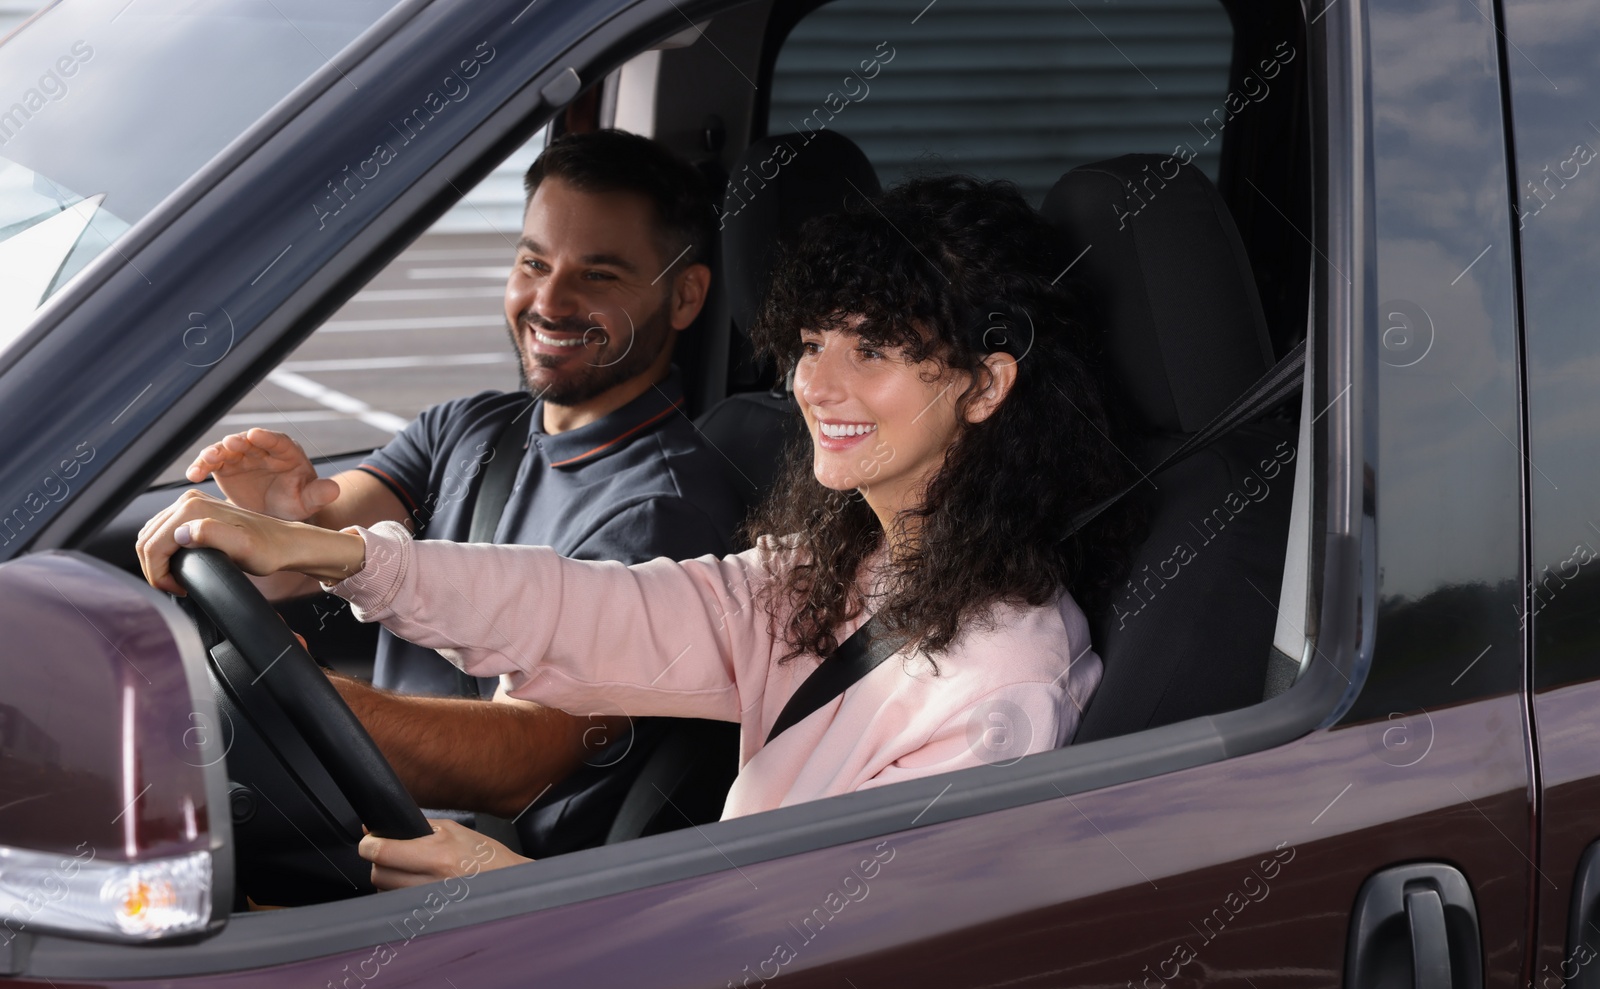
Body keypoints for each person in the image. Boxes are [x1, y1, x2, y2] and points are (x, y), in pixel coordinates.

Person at [139, 175, 1135, 889]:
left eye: (868, 350)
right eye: (810, 343)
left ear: (988, 384)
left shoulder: (999, 689)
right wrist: (334, 553)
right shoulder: (856, 567)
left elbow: (828, 978)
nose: (811, 385)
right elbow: (593, 606)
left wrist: (513, 900)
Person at [177, 130, 746, 857]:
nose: (550, 301)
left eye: (598, 276)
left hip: (469, 876)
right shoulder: (471, 426)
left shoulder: (660, 511)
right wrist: (275, 515)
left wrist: (299, 697)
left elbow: (520, 764)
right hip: (370, 819)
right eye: (534, 262)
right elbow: (308, 550)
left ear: (685, 294)